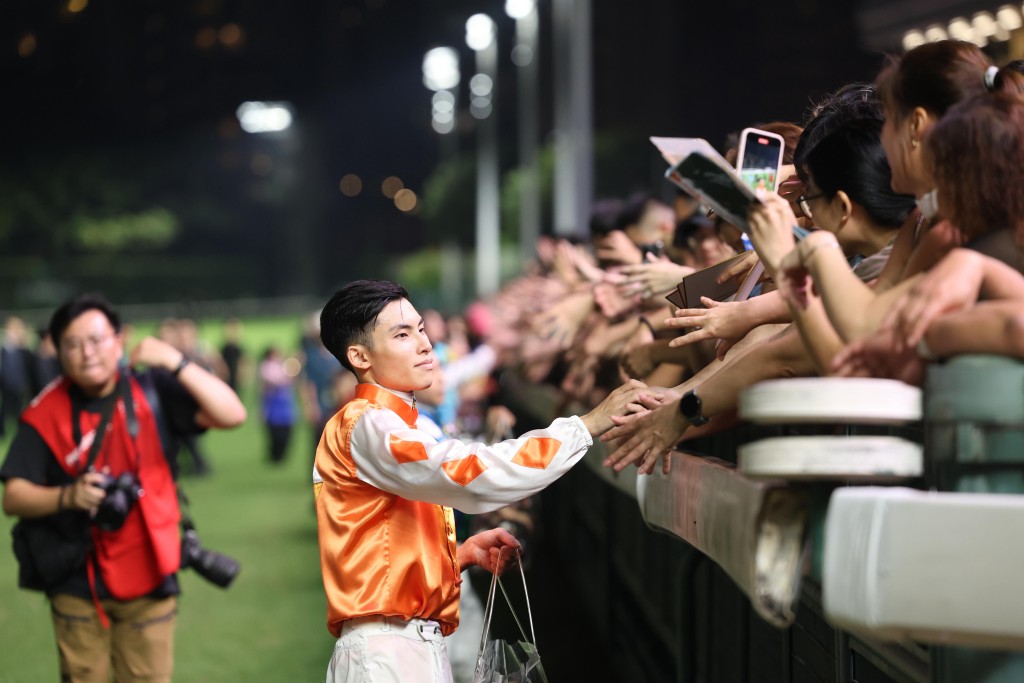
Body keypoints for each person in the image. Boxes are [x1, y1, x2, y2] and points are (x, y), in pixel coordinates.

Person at [313, 279, 645, 683]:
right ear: (359, 356)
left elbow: (385, 539)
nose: (423, 344)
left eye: (420, 329)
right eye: (402, 334)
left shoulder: (389, 422)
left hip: (402, 645)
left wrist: (459, 554)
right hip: (387, 653)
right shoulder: (367, 422)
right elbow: (468, 472)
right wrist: (585, 426)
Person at [0, 294, 246, 683]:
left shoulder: (152, 391)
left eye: (96, 340)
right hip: (76, 580)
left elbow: (233, 413)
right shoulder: (43, 412)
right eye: (73, 344)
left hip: (150, 570)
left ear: (120, 340)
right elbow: (12, 496)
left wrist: (174, 360)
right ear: (56, 350)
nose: (86, 353)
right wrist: (68, 496)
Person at [260, 344, 298, 464]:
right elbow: (273, 380)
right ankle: (275, 455)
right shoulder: (266, 367)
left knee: (286, 431)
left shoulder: (282, 365)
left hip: (284, 404)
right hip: (273, 404)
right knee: (274, 431)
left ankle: (281, 455)